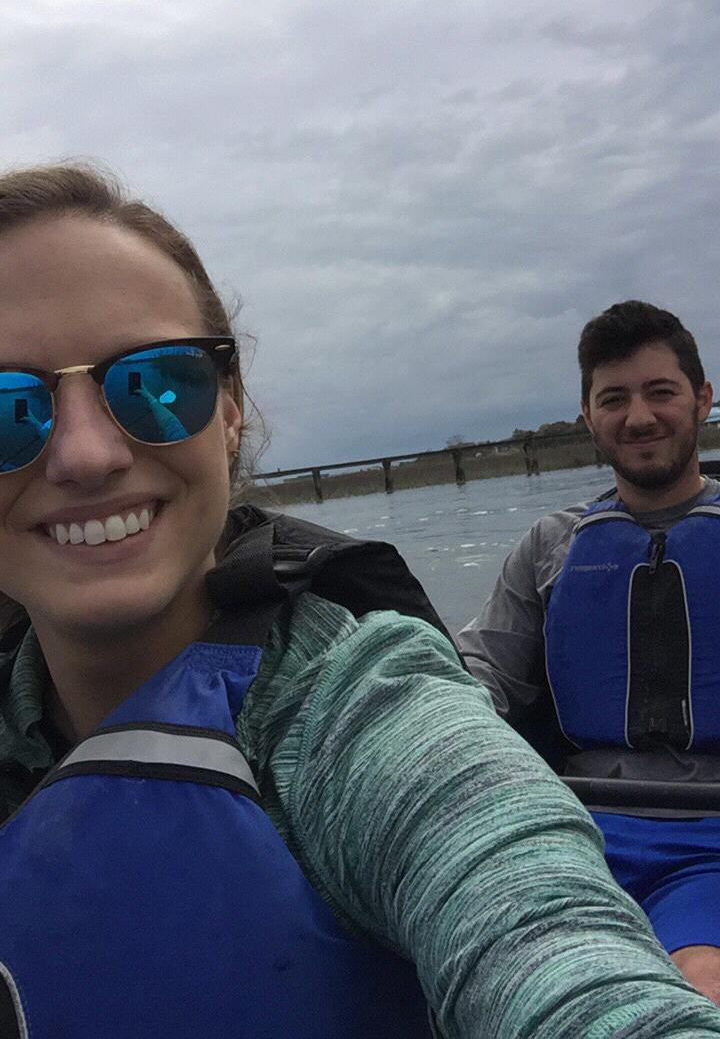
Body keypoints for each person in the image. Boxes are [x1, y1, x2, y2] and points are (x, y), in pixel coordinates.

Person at [0, 175, 719, 1039]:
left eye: (160, 383)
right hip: (606, 812)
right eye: (7, 408)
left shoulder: (364, 718)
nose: (84, 455)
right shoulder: (553, 548)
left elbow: (546, 939)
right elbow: (489, 671)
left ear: (231, 411)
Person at [459, 300, 720, 1006]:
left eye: (660, 392)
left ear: (702, 397)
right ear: (587, 417)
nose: (638, 417)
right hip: (571, 826)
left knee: (699, 985)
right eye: (614, 399)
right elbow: (477, 679)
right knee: (522, 985)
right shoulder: (550, 546)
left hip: (710, 841)